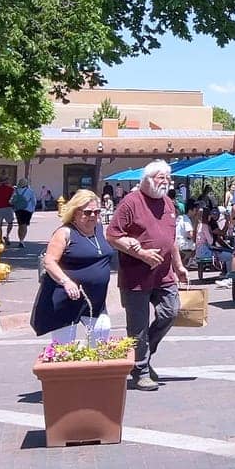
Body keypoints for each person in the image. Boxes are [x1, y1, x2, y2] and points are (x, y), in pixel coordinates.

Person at [105, 160, 189, 391]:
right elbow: (112, 236)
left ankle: (143, 353)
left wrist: (179, 266)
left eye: (168, 178)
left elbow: (170, 239)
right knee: (137, 327)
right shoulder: (130, 203)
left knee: (170, 312)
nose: (166, 182)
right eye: (161, 177)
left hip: (164, 274)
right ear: (148, 179)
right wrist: (140, 253)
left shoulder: (169, 203)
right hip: (136, 276)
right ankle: (140, 370)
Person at [34, 189, 114, 345]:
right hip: (67, 298)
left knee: (102, 333)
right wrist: (66, 281)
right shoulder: (65, 233)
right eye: (87, 212)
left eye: (97, 212)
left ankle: (93, 368)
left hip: (95, 298)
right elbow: (49, 261)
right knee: (64, 347)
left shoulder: (99, 229)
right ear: (75, 213)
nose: (93, 216)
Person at [0, 177, 16, 247]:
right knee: (10, 223)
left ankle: (0, 239)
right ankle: (7, 235)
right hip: (8, 207)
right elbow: (14, 198)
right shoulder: (11, 189)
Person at [11, 178, 36, 247]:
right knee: (24, 225)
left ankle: (20, 239)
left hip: (18, 209)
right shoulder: (30, 191)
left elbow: (12, 200)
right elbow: (34, 201)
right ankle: (22, 240)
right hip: (27, 210)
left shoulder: (16, 191)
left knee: (20, 224)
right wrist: (33, 209)